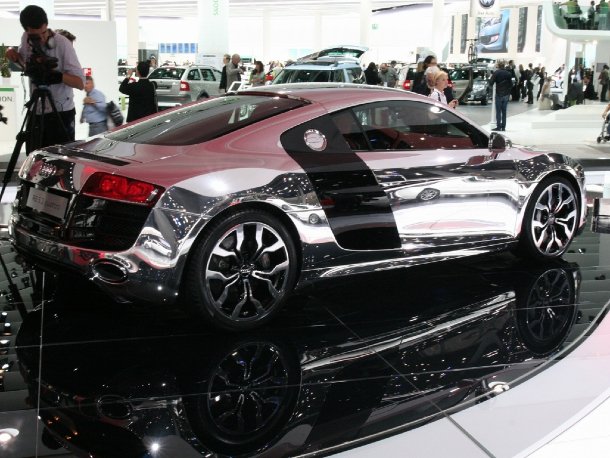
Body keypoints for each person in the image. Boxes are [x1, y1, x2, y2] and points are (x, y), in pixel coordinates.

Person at [5, 4, 84, 149]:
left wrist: (58, 76)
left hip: (61, 113)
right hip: (37, 109)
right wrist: (14, 56)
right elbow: (26, 66)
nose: (41, 39)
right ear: (27, 31)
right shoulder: (26, 38)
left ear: (47, 25)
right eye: (36, 36)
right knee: (34, 156)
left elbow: (80, 83)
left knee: (59, 159)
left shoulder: (63, 44)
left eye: (44, 33)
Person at [489, 60, 513, 131]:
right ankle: (503, 127)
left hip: (499, 94)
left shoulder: (496, 73)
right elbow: (511, 85)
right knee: (504, 111)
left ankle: (498, 126)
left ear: (498, 66)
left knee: (498, 111)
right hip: (506, 94)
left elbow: (491, 83)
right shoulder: (508, 73)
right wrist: (509, 93)